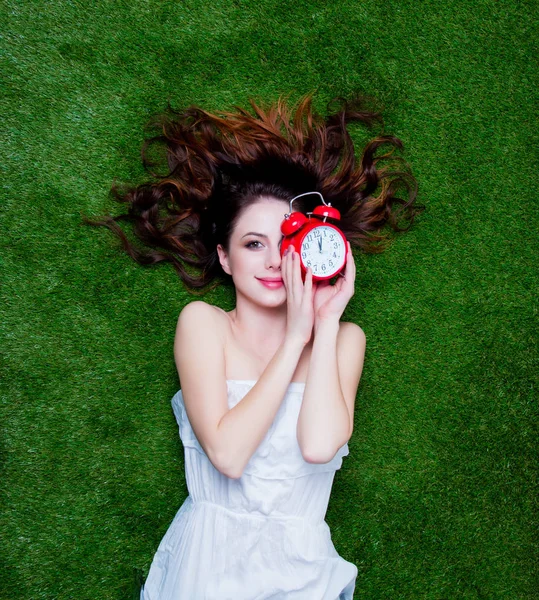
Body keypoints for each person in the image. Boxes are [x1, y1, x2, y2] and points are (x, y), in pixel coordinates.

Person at [84, 95, 423, 599]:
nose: (270, 262)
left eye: (283, 244)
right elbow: (228, 453)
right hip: (209, 565)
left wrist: (324, 325)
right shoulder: (203, 324)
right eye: (252, 243)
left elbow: (319, 446)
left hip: (304, 569)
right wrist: (293, 341)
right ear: (223, 256)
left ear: (307, 251)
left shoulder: (346, 339)